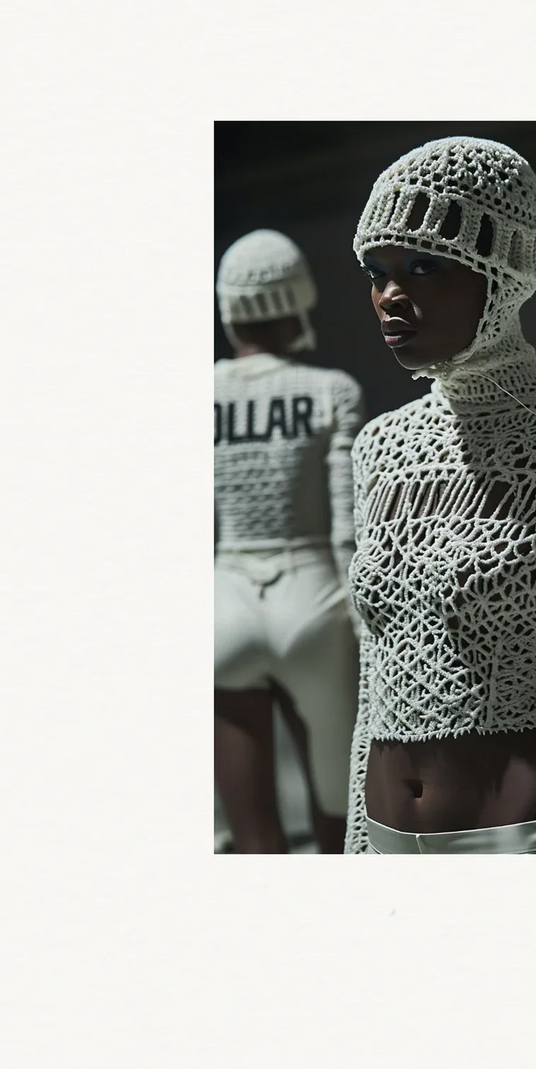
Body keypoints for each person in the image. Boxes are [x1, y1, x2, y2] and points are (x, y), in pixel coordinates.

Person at [345, 138, 536, 855]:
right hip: (385, 831)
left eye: (425, 265)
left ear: (503, 273)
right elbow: (373, 684)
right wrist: (354, 848)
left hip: (517, 834)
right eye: (377, 271)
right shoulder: (378, 448)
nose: (391, 294)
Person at [214, 229, 364, 854]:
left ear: (229, 309)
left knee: (252, 842)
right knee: (340, 820)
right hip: (315, 602)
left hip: (224, 602)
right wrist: (364, 623)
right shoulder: (333, 390)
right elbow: (347, 526)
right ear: (298, 299)